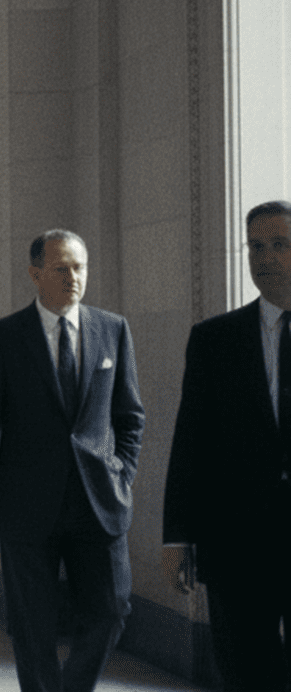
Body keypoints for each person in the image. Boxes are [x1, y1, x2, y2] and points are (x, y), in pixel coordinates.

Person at [0, 229, 143, 692]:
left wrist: (122, 472)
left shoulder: (112, 329)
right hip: (26, 504)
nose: (73, 277)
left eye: (79, 267)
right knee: (32, 625)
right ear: (35, 273)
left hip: (99, 500)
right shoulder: (2, 338)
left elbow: (130, 416)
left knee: (113, 608)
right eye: (61, 268)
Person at [162, 199, 291, 691]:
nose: (266, 257)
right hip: (238, 539)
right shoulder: (215, 339)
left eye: (279, 244)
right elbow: (191, 439)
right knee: (244, 669)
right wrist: (177, 536)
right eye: (256, 246)